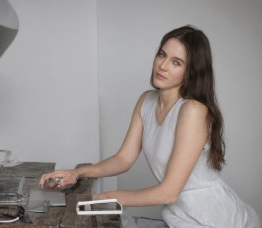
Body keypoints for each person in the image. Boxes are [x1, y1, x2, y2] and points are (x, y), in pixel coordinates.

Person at [39, 25, 261, 227]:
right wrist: (76, 172)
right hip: (178, 217)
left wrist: (101, 199)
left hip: (214, 220)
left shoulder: (193, 111)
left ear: (191, 71)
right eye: (162, 55)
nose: (162, 66)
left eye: (176, 62)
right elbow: (124, 159)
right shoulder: (147, 100)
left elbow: (168, 193)